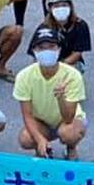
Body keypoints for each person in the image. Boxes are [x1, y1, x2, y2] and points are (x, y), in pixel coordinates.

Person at [13, 27, 88, 160]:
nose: (46, 51)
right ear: (34, 51)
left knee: (69, 133)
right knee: (25, 139)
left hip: (67, 121)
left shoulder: (72, 75)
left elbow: (68, 118)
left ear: (59, 50)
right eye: (41, 47)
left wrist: (60, 98)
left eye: (51, 46)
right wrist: (40, 139)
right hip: (41, 121)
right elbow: (27, 115)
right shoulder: (24, 76)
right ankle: (41, 147)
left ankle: (71, 147)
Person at [26, 0, 92, 73]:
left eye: (64, 5)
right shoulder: (43, 28)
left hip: (71, 63)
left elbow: (77, 54)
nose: (60, 8)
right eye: (56, 6)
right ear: (50, 9)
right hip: (45, 63)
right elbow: (36, 54)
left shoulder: (80, 25)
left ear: (70, 7)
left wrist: (59, 67)